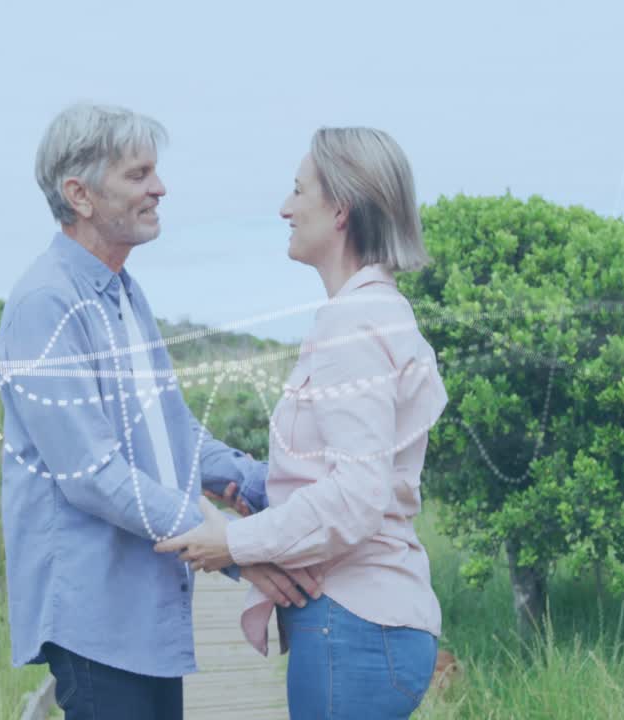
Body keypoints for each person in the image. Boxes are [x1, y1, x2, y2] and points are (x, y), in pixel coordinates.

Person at [0, 102, 322, 720]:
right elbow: (92, 474)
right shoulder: (45, 304)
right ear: (80, 194)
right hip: (96, 614)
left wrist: (266, 485)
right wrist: (231, 547)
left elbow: (175, 437)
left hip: (146, 616)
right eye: (138, 174)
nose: (159, 187)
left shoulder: (124, 293)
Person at [156, 127, 448, 718]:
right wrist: (250, 483)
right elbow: (346, 476)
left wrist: (231, 543)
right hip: (369, 624)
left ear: (340, 208)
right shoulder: (380, 314)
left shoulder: (352, 325)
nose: (285, 208)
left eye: (298, 190)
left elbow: (356, 498)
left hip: (355, 623)